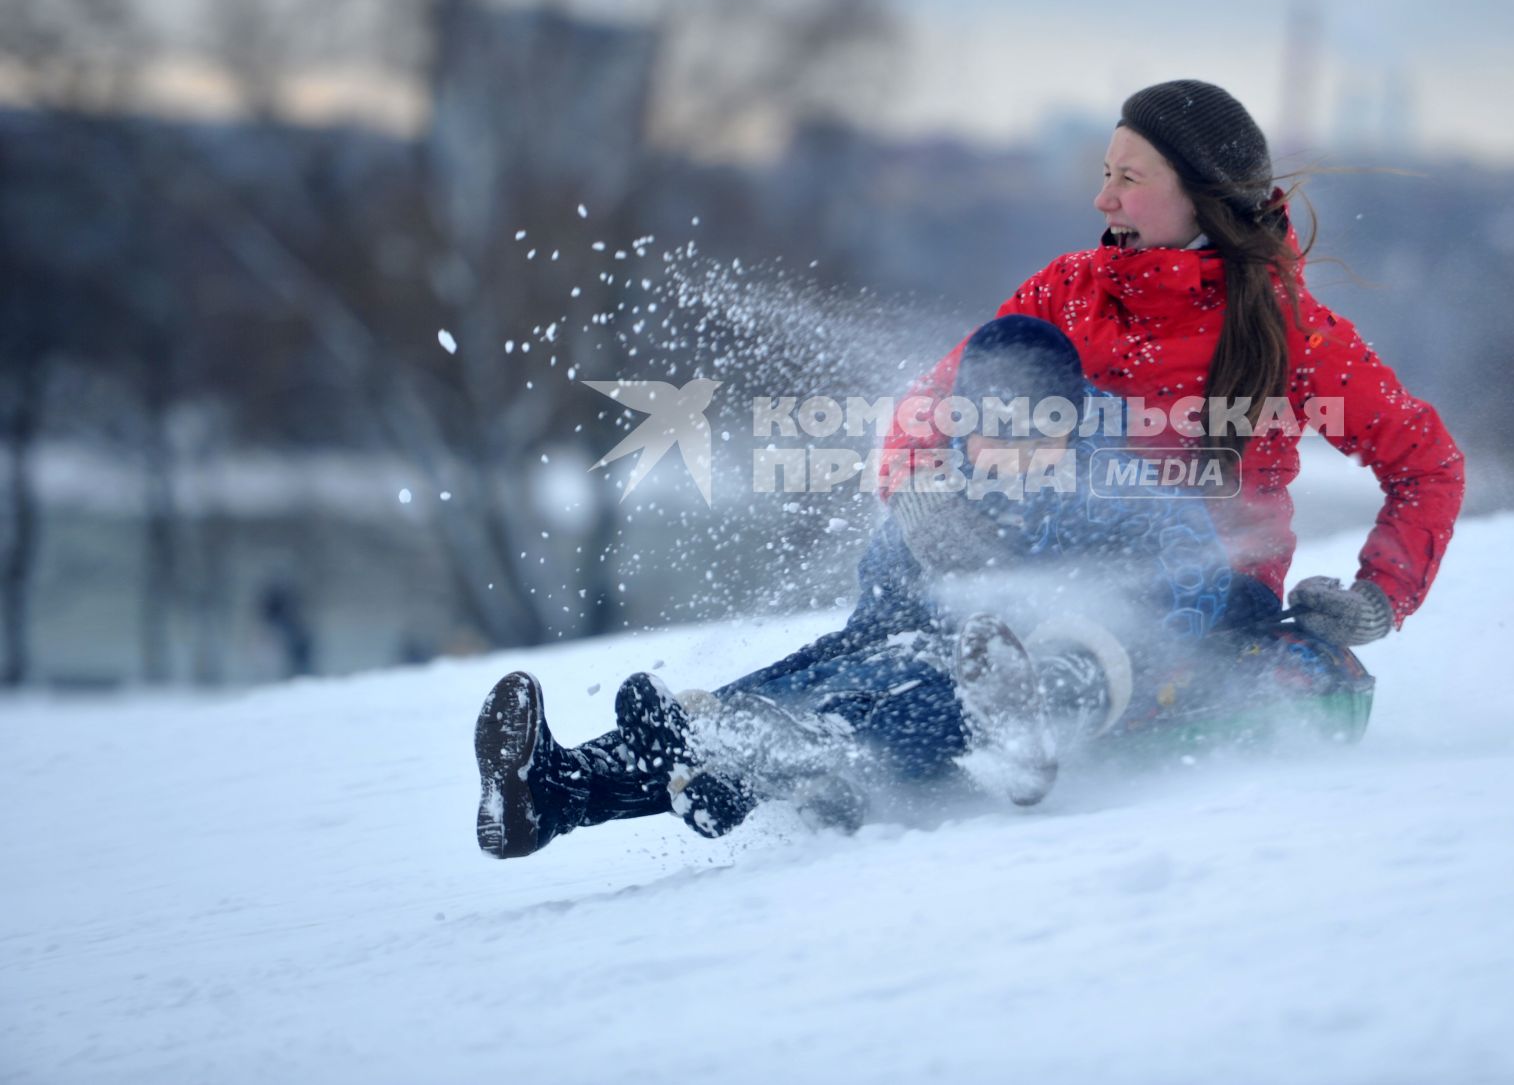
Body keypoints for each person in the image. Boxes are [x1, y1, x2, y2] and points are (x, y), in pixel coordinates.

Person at [474, 316, 1374, 858]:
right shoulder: (941, 498)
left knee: (1018, 659)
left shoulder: (1128, 484)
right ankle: (559, 790)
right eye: (989, 430)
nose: (1010, 451)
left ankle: (1011, 722)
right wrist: (773, 687)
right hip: (947, 663)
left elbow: (1189, 587)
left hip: (1099, 676)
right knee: (851, 667)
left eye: (1035, 430)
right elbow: (871, 629)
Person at [882, 79, 1465, 640]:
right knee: (907, 609)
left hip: (1211, 603)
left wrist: (1379, 597)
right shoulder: (1065, 289)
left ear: (1203, 198)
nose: (1102, 198)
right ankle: (824, 709)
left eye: (1129, 178)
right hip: (1048, 563)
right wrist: (918, 487)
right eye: (1105, 174)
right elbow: (937, 399)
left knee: (1098, 633)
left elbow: (1428, 465)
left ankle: (1048, 700)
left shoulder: (1295, 333)